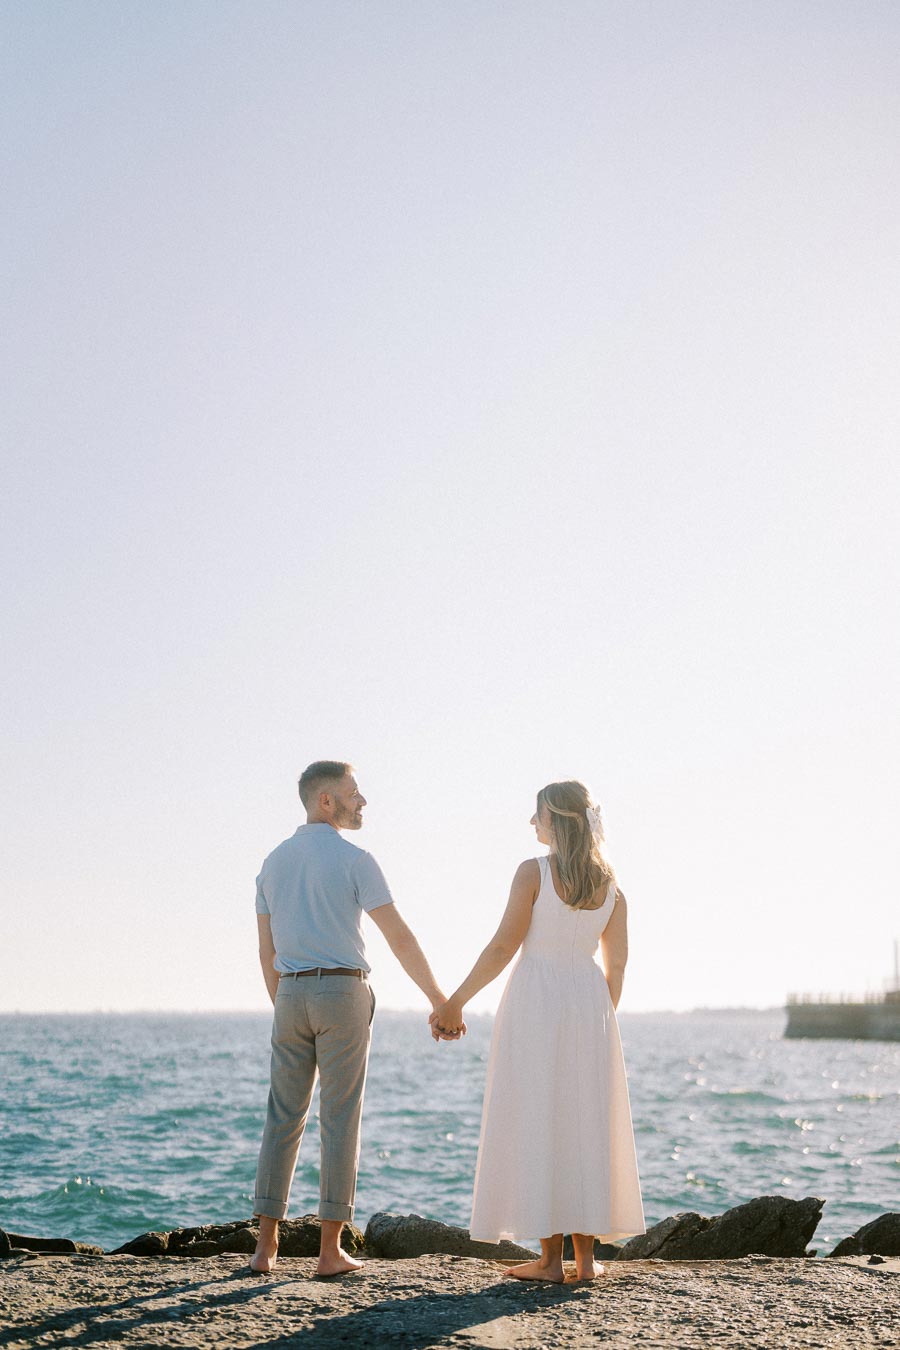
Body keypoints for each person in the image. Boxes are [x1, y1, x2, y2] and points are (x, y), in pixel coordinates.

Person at [431, 780, 645, 1282]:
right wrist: (594, 1021)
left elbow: (504, 945)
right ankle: (586, 1261)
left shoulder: (534, 873)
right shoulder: (614, 890)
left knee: (539, 1117)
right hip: (590, 1007)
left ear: (557, 821)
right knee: (584, 1124)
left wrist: (454, 1001)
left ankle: (550, 1261)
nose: (531, 823)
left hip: (535, 1001)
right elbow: (617, 972)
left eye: (538, 815)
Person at [250, 760, 451, 1276]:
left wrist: (288, 1001)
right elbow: (399, 937)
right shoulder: (357, 859)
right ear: (326, 801)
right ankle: (328, 1252)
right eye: (354, 792)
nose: (362, 801)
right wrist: (437, 998)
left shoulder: (272, 863)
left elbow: (265, 950)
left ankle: (264, 1249)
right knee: (339, 1119)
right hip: (343, 991)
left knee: (282, 1118)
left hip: (290, 994)